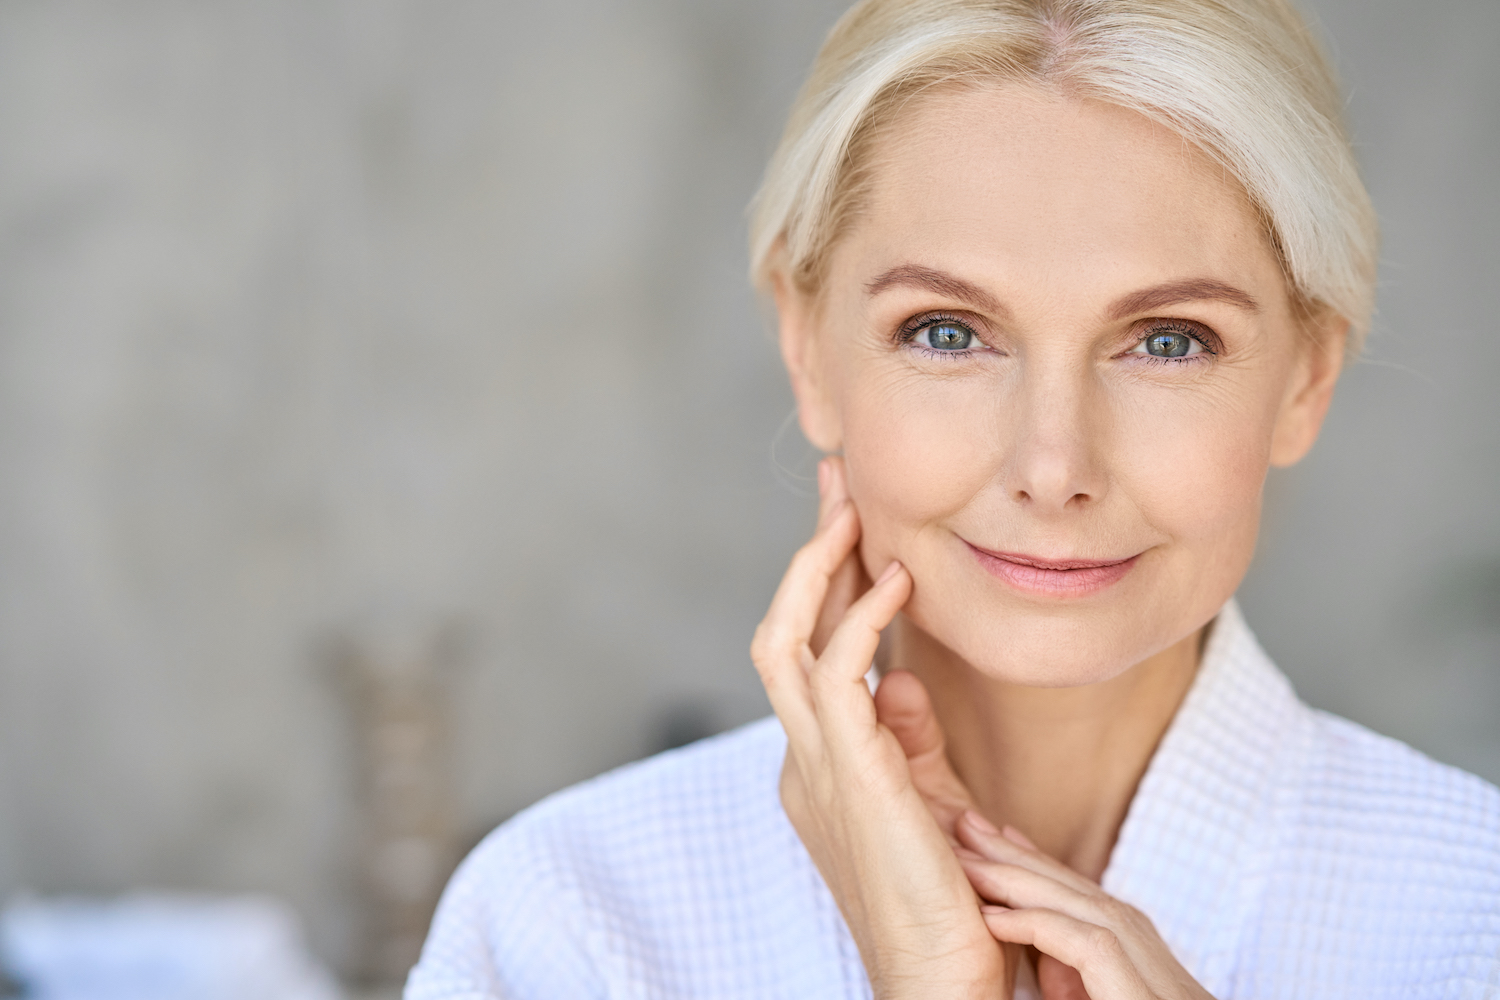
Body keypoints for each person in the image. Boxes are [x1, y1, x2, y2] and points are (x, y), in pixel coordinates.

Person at [405, 0, 1500, 996]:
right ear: (808, 347)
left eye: (1168, 341)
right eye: (947, 332)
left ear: (1306, 378)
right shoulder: (571, 923)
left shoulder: (1470, 915)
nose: (1053, 462)